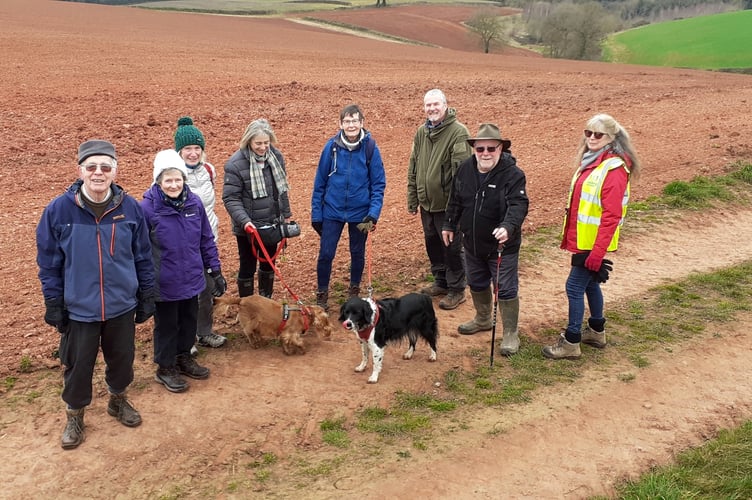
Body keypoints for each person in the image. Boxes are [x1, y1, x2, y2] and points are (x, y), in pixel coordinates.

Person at [36, 139, 155, 450]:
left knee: (122, 360)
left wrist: (147, 292)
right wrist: (53, 301)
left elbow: (143, 255)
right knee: (78, 365)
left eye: (105, 167)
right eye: (92, 167)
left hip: (120, 305)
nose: (98, 173)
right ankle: (74, 415)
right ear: (80, 170)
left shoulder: (130, 209)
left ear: (114, 171)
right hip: (79, 308)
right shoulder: (59, 211)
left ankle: (118, 400)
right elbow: (49, 262)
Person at [542, 113, 641, 360]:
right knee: (590, 284)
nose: (592, 138)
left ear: (611, 138)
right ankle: (597, 331)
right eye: (588, 133)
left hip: (593, 242)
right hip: (584, 240)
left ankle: (571, 341)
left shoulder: (614, 168)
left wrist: (598, 253)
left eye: (598, 135)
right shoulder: (594, 162)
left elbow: (611, 215)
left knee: (574, 286)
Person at [141, 149, 227, 392]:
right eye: (168, 180)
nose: (173, 184)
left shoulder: (194, 203)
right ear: (158, 181)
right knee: (167, 326)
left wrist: (215, 270)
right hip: (164, 282)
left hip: (192, 278)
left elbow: (205, 239)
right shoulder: (147, 209)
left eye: (177, 179)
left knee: (189, 322)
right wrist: (144, 284)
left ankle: (183, 358)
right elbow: (139, 249)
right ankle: (165, 368)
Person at [442, 124, 529, 355]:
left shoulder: (513, 175)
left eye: (491, 148)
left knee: (506, 289)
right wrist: (449, 223)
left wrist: (508, 227)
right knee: (477, 282)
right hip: (472, 243)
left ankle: (510, 333)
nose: (486, 153)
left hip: (502, 246)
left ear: (501, 148)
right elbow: (455, 199)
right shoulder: (465, 169)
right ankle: (482, 319)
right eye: (480, 149)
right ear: (474, 149)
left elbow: (518, 205)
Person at [311, 104, 386, 310]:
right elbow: (319, 183)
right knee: (326, 253)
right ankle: (322, 294)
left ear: (361, 122)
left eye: (354, 121)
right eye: (347, 121)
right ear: (340, 124)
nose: (351, 125)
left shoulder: (370, 148)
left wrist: (373, 214)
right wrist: (317, 214)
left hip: (360, 212)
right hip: (332, 211)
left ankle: (354, 291)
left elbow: (378, 184)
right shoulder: (331, 148)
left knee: (357, 253)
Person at [408, 88, 472, 310]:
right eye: (428, 105)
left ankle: (457, 289)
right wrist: (413, 197)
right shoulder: (421, 132)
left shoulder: (458, 133)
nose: (432, 109)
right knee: (432, 242)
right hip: (427, 203)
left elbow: (461, 175)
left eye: (436, 104)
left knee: (452, 247)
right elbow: (414, 165)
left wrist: (457, 208)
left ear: (445, 105)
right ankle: (441, 281)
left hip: (448, 206)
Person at [222, 118, 293, 299]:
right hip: (247, 227)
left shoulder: (276, 158)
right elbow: (231, 198)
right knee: (247, 265)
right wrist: (245, 222)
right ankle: (246, 306)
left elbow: (281, 190)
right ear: (248, 141)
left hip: (271, 223)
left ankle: (265, 301)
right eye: (258, 143)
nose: (263, 147)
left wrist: (286, 215)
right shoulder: (235, 164)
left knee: (269, 263)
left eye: (266, 143)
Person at [173, 116, 227, 351]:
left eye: (197, 148)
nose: (193, 153)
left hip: (207, 238)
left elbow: (210, 206)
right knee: (184, 291)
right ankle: (186, 337)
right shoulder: (173, 174)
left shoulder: (209, 170)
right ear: (179, 151)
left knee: (206, 288)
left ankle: (204, 331)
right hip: (182, 242)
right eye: (187, 149)